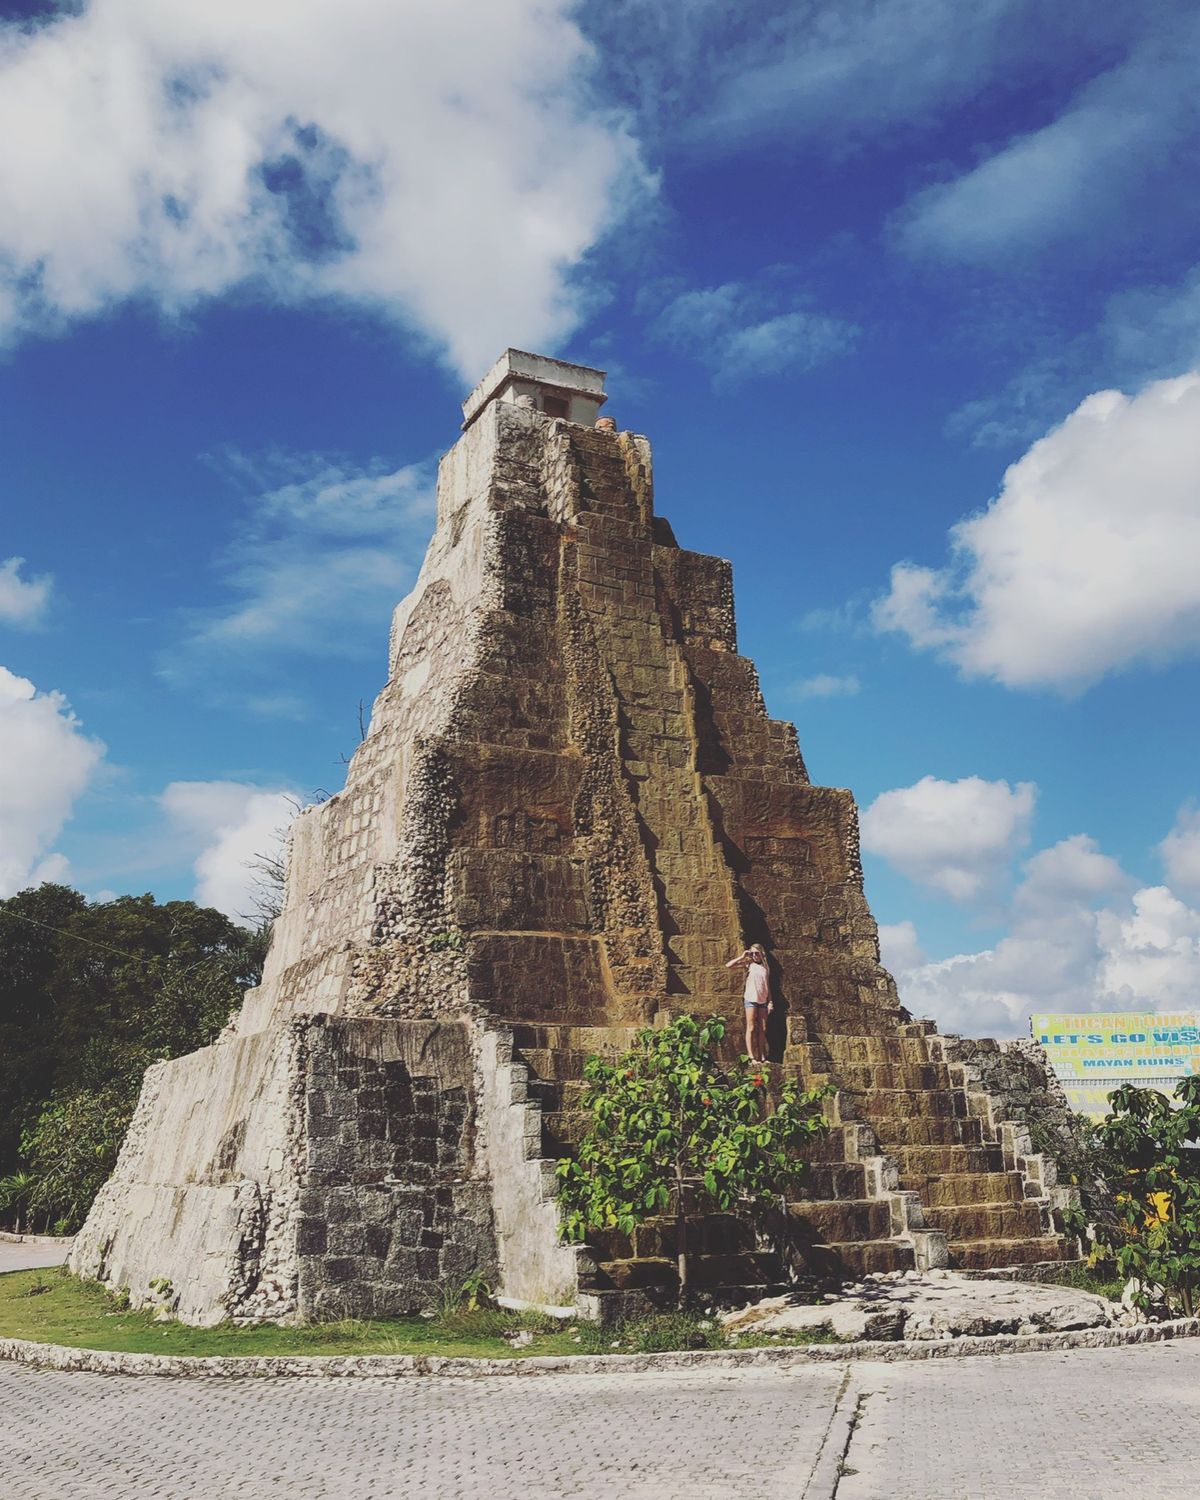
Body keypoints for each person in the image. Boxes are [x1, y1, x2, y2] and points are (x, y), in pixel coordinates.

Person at [726, 944, 771, 1064]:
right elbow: (729, 965)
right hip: (751, 999)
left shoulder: (766, 967)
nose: (754, 955)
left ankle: (762, 1056)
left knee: (763, 1028)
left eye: (756, 953)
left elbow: (767, 985)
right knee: (751, 1027)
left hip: (762, 1000)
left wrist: (770, 1001)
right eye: (752, 953)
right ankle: (751, 1057)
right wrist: (742, 957)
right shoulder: (749, 964)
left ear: (762, 954)